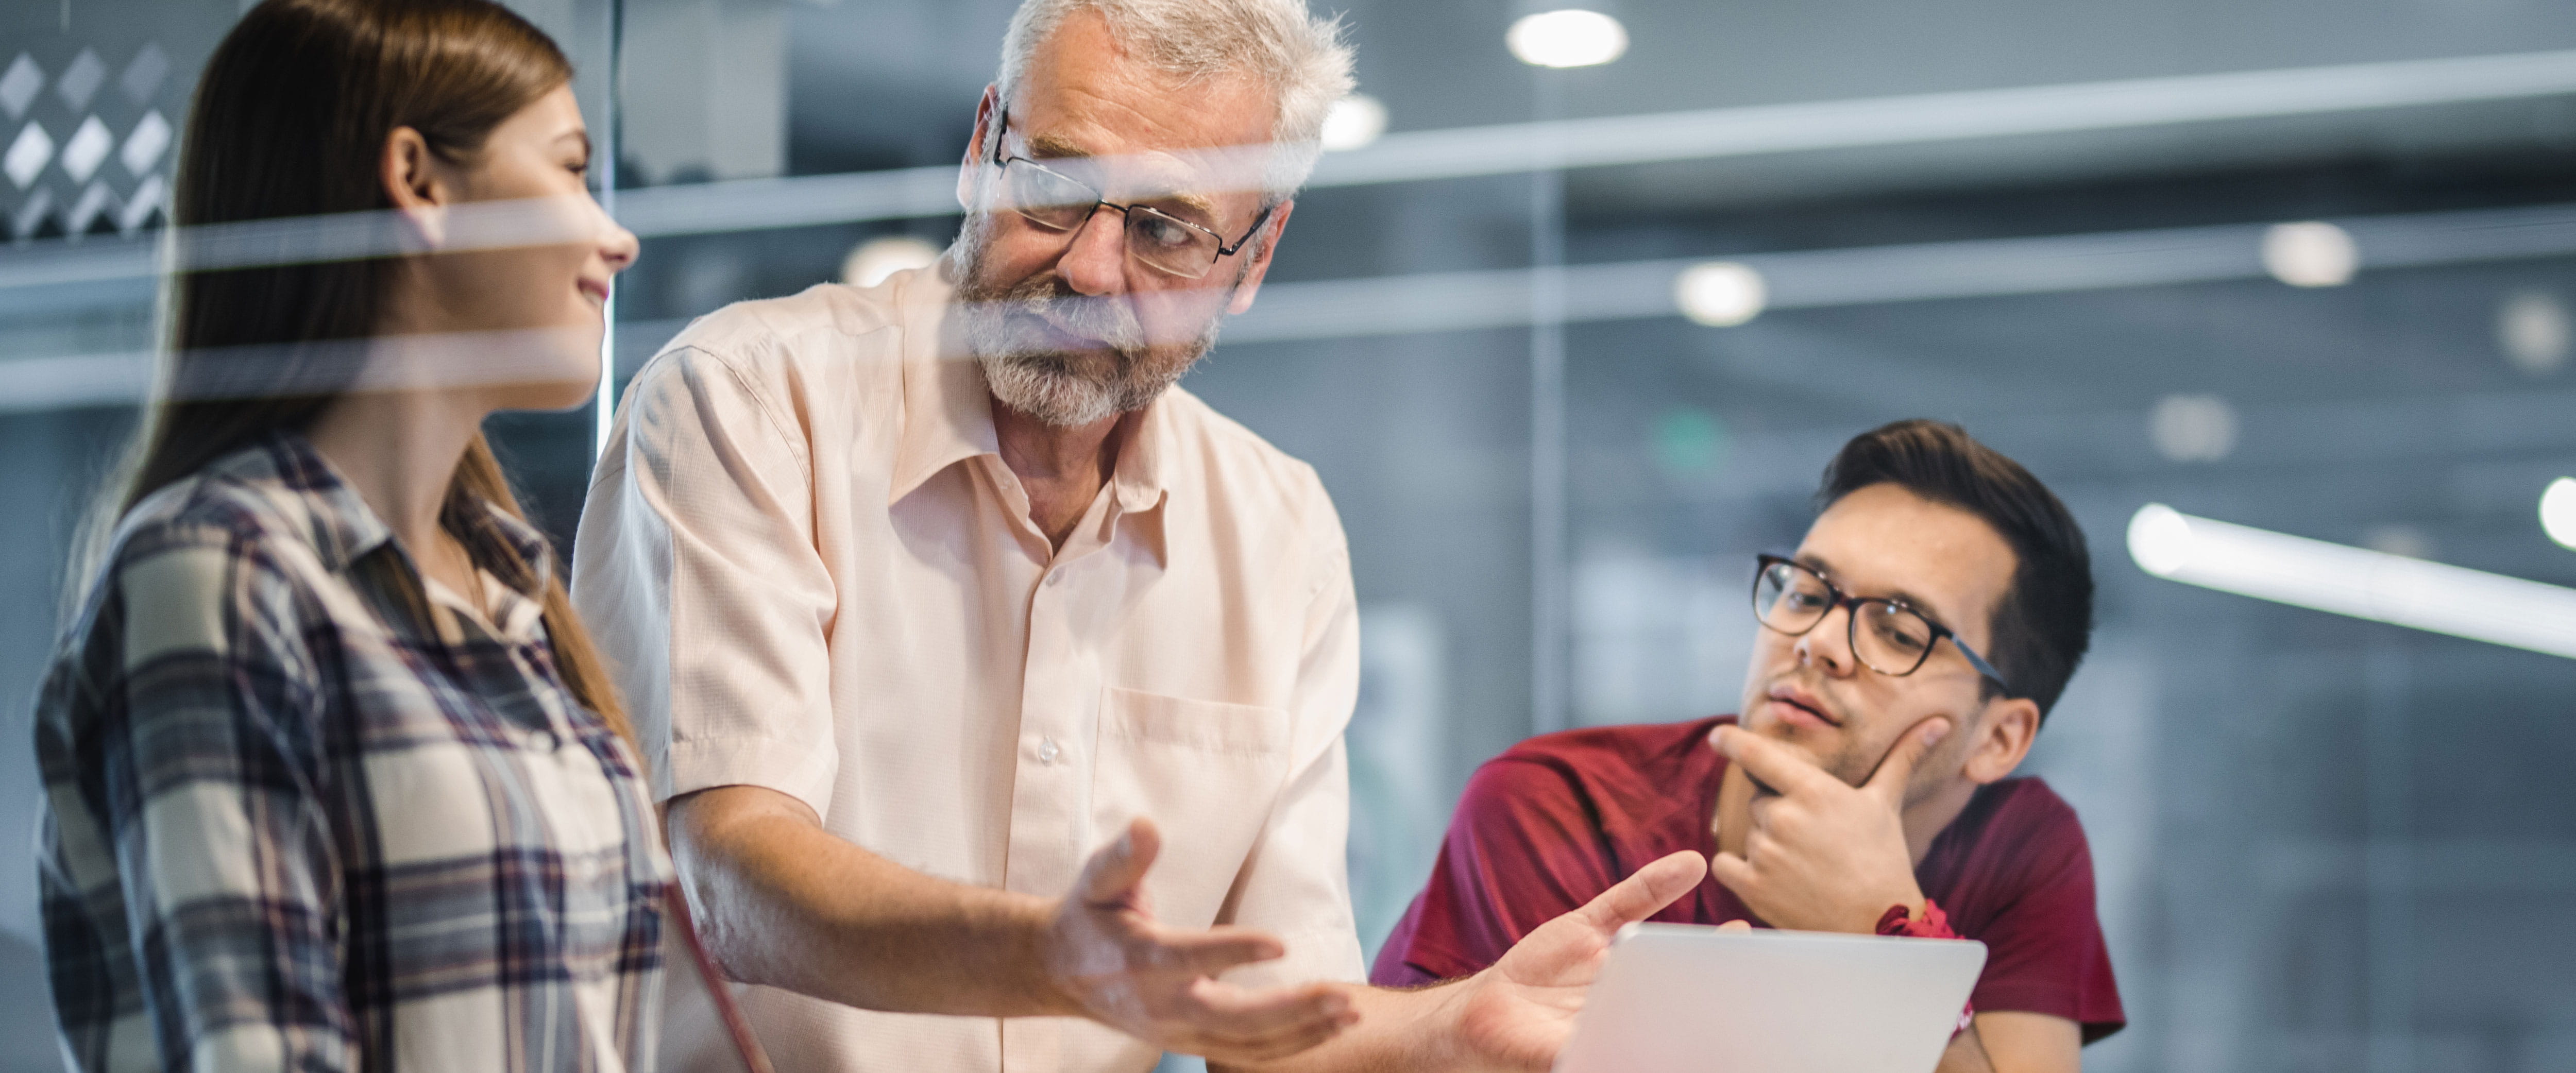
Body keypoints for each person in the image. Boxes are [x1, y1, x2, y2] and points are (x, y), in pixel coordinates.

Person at [570, 0, 1702, 1069]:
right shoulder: (749, 403)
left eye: (1166, 231)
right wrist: (1048, 960)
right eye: (1055, 186)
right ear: (983, 147)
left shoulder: (1277, 529)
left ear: (1254, 257)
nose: (1089, 270)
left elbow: (1273, 1018)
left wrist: (1451, 1024)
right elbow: (728, 874)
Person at [34, 1, 667, 1068]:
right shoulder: (223, 577)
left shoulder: (509, 595)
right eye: (568, 169)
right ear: (417, 180)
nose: (618, 233)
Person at [1373, 420, 2127, 1073]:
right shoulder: (1560, 806)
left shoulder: (2024, 844)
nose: (1820, 642)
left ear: (1999, 738)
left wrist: (1886, 926)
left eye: (1898, 632)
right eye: (1806, 593)